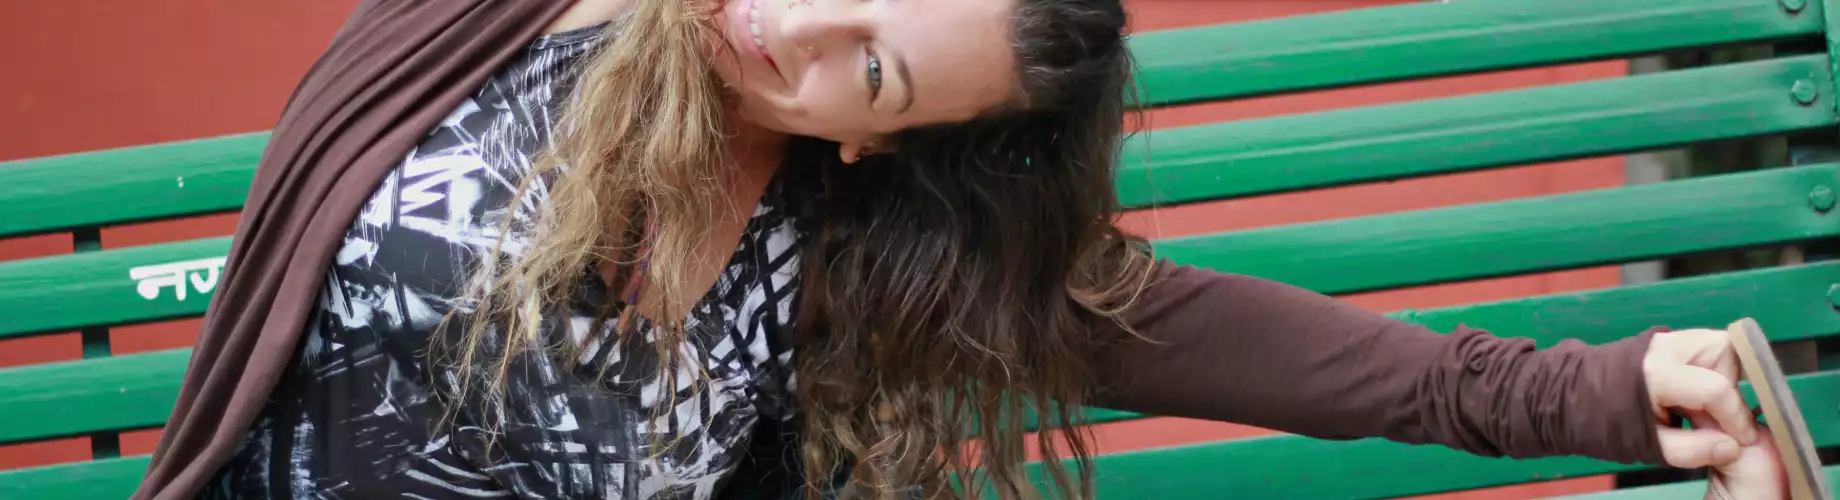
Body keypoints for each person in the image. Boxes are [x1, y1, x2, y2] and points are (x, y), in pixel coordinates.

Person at [131, 0, 1791, 499]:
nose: (793, 28)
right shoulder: (535, 20)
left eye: (872, 68)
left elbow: (1197, 332)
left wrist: (1591, 395)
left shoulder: (839, 232)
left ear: (884, 137)